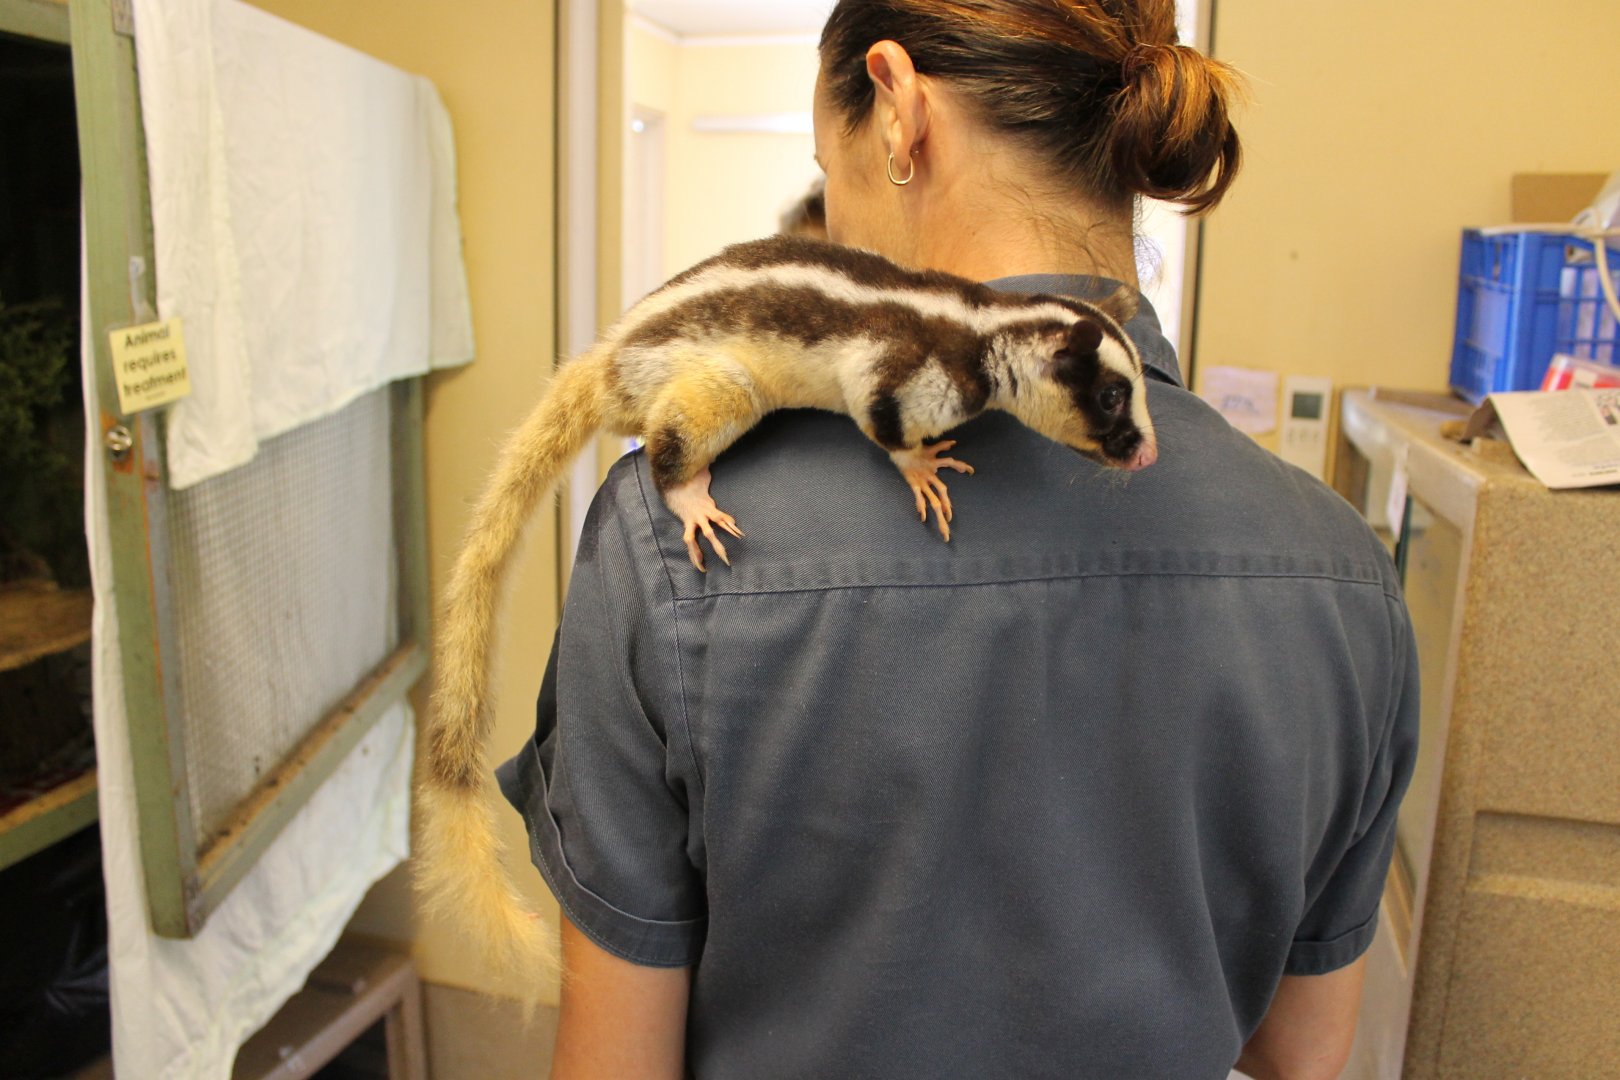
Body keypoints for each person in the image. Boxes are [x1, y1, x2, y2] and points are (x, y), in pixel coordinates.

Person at [496, 2, 1419, 1077]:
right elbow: (1298, 1056)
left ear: (899, 108)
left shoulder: (668, 546)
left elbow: (617, 1061)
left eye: (824, 166)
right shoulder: (1343, 572)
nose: (831, 219)